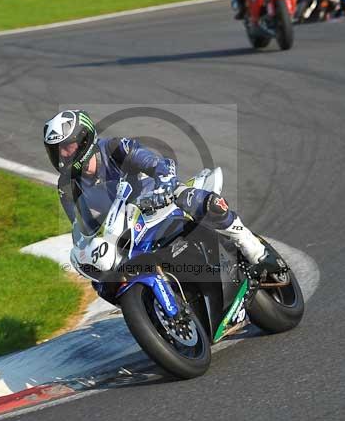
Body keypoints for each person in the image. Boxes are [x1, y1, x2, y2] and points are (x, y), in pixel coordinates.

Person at [43, 110, 285, 301]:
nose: (63, 155)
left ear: (84, 140)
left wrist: (164, 184)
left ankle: (254, 249)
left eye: (68, 147)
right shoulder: (67, 187)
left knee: (196, 200)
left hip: (158, 203)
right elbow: (81, 226)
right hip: (126, 229)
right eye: (57, 151)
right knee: (102, 282)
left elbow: (158, 164)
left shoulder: (115, 148)